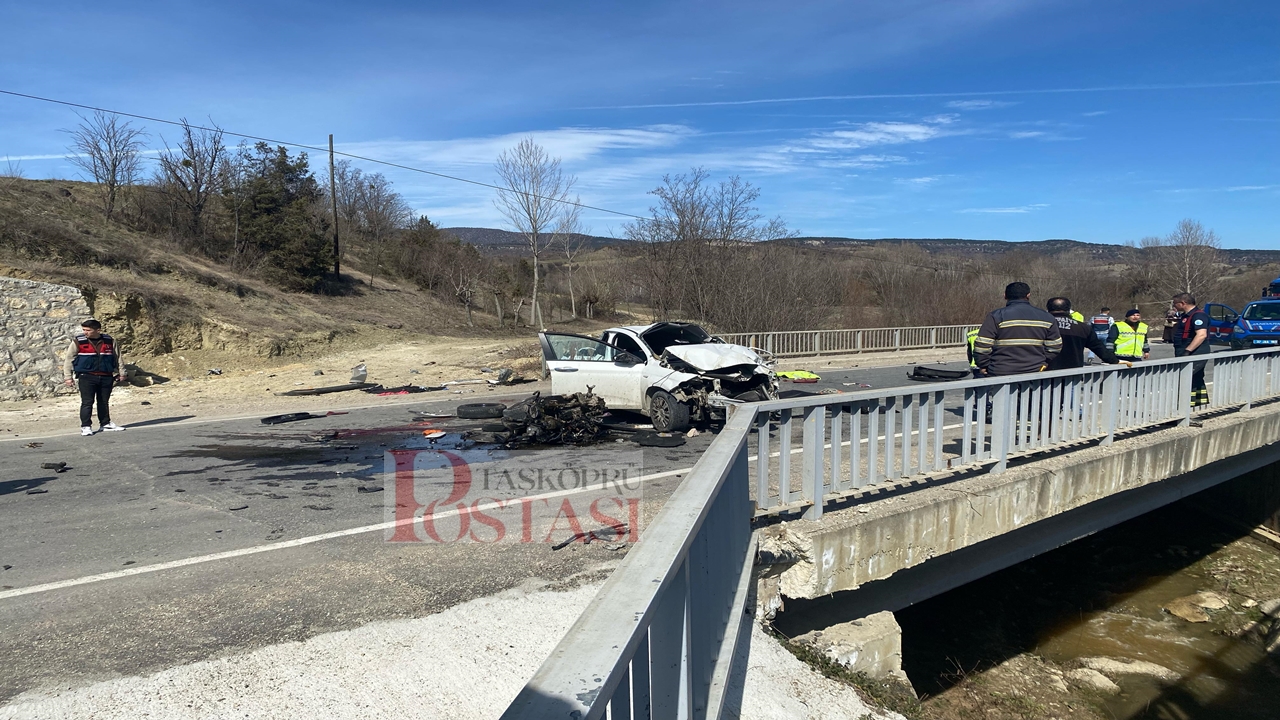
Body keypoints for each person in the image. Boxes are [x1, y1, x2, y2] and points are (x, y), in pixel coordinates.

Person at [973, 282, 1062, 376]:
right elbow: (1055, 346)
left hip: (1001, 372)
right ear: (1028, 295)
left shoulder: (996, 316)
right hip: (1035, 372)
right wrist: (1042, 361)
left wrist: (984, 365)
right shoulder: (1047, 317)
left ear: (1005, 296)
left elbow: (982, 345)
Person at [62, 318, 127, 435]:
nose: (85, 332)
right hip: (87, 376)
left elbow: (118, 357)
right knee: (87, 402)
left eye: (88, 330)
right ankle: (86, 426)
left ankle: (105, 424)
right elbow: (69, 359)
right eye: (84, 330)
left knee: (103, 401)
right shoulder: (78, 341)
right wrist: (68, 377)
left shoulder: (109, 340)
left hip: (106, 376)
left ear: (98, 330)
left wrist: (122, 373)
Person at [1046, 298, 1125, 370]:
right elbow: (1098, 347)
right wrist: (1114, 360)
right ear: (1069, 309)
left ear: (1048, 308)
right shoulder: (1083, 327)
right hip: (1072, 373)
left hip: (1045, 373)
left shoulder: (1041, 326)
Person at [1171, 293, 1211, 408]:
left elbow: (1201, 335)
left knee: (1188, 378)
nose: (1174, 306)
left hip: (1195, 352)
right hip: (1184, 351)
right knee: (1195, 379)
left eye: (1175, 304)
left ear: (1183, 303)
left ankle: (1187, 408)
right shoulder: (1186, 316)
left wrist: (1187, 351)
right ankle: (1198, 407)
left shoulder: (1198, 316)